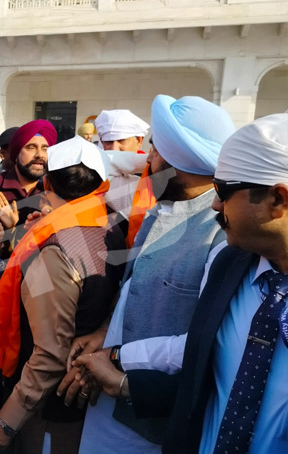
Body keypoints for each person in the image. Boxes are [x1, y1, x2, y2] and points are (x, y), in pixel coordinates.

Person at [74, 113, 288, 454]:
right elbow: (202, 351)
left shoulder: (220, 242)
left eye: (223, 191)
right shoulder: (232, 266)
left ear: (278, 200)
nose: (215, 204)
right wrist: (114, 354)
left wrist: (122, 371)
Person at [59, 95, 236, 454]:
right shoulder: (160, 211)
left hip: (151, 414)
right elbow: (133, 291)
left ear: (177, 161)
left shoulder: (221, 234)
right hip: (108, 392)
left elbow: (207, 342)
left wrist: (115, 358)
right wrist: (103, 333)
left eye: (155, 150)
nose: (149, 159)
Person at [0, 136, 126, 453]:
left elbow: (49, 355)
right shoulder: (109, 225)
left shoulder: (56, 250)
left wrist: (6, 422)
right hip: (81, 400)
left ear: (46, 183)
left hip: (49, 412)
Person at [0, 120, 57, 254]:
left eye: (45, 148)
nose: (40, 154)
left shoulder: (54, 191)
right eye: (31, 147)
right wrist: (4, 232)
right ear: (16, 154)